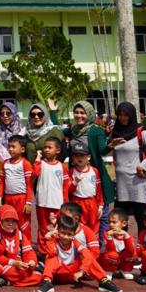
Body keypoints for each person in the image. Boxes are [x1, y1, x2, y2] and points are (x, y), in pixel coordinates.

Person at [106, 101, 146, 234]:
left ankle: (143, 246)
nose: (123, 118)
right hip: (122, 185)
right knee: (119, 222)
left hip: (138, 183)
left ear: (131, 115)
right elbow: (107, 151)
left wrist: (142, 167)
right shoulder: (115, 133)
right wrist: (110, 144)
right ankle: (121, 246)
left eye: (126, 115)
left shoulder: (141, 132)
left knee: (142, 221)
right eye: (120, 115)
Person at [64, 100, 115, 246]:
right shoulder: (72, 131)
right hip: (77, 176)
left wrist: (110, 146)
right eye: (76, 112)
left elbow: (101, 150)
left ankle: (101, 246)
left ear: (89, 114)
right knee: (78, 216)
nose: (79, 115)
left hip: (94, 176)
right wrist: (53, 112)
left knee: (101, 216)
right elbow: (56, 129)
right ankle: (80, 245)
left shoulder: (95, 131)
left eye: (82, 113)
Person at [35, 214, 121, 292]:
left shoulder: (75, 243)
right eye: (63, 233)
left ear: (74, 234)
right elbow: (51, 252)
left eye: (69, 234)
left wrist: (82, 271)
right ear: (57, 231)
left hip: (73, 274)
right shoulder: (54, 241)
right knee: (51, 257)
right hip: (58, 274)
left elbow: (88, 256)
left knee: (87, 256)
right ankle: (47, 282)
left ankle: (103, 281)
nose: (65, 237)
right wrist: (48, 238)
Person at [0, 205, 42, 287]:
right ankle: (17, 280)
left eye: (13, 221)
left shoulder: (20, 235)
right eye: (7, 220)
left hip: (20, 265)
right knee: (14, 272)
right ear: (0, 221)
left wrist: (31, 262)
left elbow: (28, 252)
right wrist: (13, 263)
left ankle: (9, 282)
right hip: (4, 265)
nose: (10, 224)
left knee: (39, 277)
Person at [34, 137, 70, 256]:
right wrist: (38, 159)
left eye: (50, 147)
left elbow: (65, 186)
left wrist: (65, 203)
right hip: (42, 203)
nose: (46, 150)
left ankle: (54, 251)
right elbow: (35, 173)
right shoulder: (41, 164)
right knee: (43, 228)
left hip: (57, 203)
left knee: (54, 227)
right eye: (45, 147)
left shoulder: (62, 166)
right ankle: (43, 252)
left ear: (58, 150)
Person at [0, 135, 33, 242]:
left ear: (22, 149)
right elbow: (2, 182)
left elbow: (29, 185)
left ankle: (26, 246)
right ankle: (12, 244)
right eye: (9, 147)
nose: (10, 149)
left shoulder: (25, 164)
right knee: (9, 221)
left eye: (13, 147)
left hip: (21, 198)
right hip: (8, 198)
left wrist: (28, 202)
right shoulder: (5, 163)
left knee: (23, 223)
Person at [68, 141, 104, 236]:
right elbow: (68, 190)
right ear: (73, 158)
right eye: (76, 156)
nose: (79, 158)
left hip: (92, 202)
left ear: (88, 157)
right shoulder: (71, 172)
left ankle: (93, 244)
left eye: (82, 155)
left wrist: (100, 205)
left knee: (93, 227)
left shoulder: (94, 171)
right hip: (77, 201)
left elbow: (98, 189)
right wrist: (75, 182)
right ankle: (79, 244)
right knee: (77, 226)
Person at [99, 208, 137, 279]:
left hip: (119, 261)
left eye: (114, 222)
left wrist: (126, 236)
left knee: (133, 253)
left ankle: (125, 270)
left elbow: (131, 250)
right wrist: (109, 237)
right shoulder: (106, 234)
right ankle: (108, 271)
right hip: (106, 260)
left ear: (124, 223)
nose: (111, 224)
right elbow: (111, 250)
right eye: (109, 222)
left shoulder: (127, 235)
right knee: (113, 254)